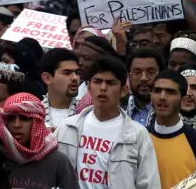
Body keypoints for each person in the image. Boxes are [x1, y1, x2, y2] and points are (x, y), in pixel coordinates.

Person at [55, 56, 159, 189]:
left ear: (123, 91)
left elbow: (149, 184)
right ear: (89, 87)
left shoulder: (137, 134)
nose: (103, 88)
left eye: (110, 83)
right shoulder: (67, 127)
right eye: (97, 82)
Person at [0, 92, 78, 189]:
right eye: (11, 118)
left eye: (25, 118)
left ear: (37, 122)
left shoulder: (58, 161)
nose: (16, 125)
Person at [148, 70, 196, 189]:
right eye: (157, 91)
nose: (162, 97)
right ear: (151, 96)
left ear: (183, 99)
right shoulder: (139, 137)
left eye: (170, 92)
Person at [39, 48, 80, 130]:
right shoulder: (35, 113)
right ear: (47, 78)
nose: (75, 78)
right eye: (67, 73)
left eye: (77, 73)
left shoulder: (86, 111)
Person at [126, 49, 164, 126]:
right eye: (137, 72)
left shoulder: (170, 114)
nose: (143, 78)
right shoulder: (120, 113)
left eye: (150, 72)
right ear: (129, 76)